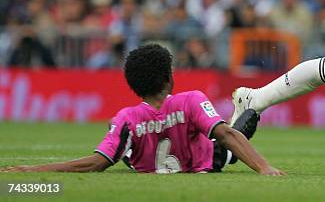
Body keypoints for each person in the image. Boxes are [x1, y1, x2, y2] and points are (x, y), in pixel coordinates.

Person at [1, 44, 283, 175]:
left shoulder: (126, 118)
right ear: (169, 77)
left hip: (148, 154)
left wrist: (33, 169)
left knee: (124, 147)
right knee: (228, 144)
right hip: (208, 159)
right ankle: (250, 108)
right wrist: (264, 167)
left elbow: (96, 162)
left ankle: (131, 149)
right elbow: (227, 136)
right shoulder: (191, 99)